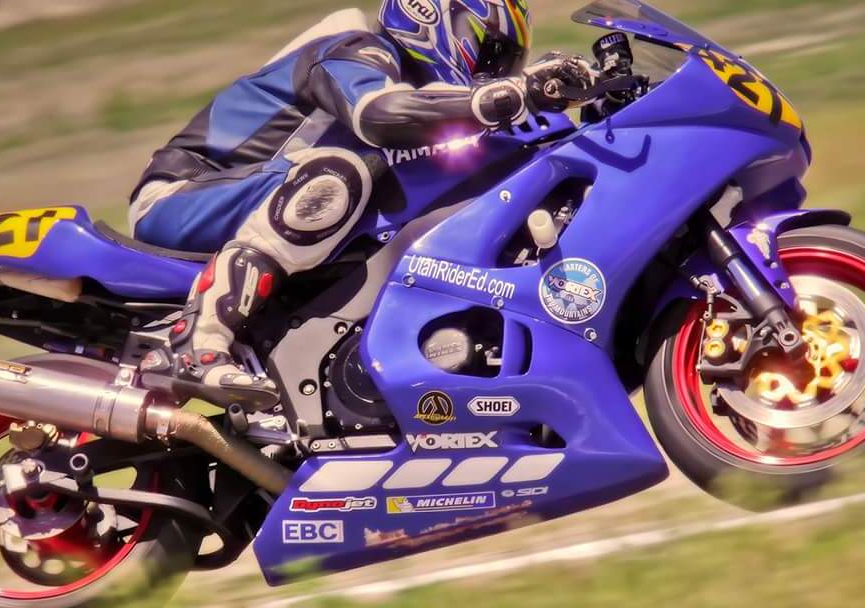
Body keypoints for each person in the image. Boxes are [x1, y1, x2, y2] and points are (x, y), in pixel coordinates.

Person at [129, 0, 596, 404]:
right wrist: (508, 97)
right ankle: (198, 342)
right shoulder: (353, 48)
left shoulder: (417, 93)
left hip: (255, 204)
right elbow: (378, 115)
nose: (495, 74)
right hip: (181, 197)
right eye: (491, 53)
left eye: (507, 63)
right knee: (337, 176)